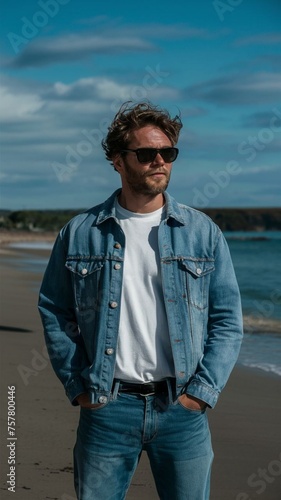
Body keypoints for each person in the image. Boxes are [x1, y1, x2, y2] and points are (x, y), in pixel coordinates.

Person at [38, 101, 243, 500]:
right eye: (146, 154)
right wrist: (79, 385)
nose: (159, 162)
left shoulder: (202, 233)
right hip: (106, 407)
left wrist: (201, 393)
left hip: (182, 408)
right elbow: (54, 309)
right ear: (117, 160)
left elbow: (227, 319)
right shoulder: (80, 233)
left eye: (168, 153)